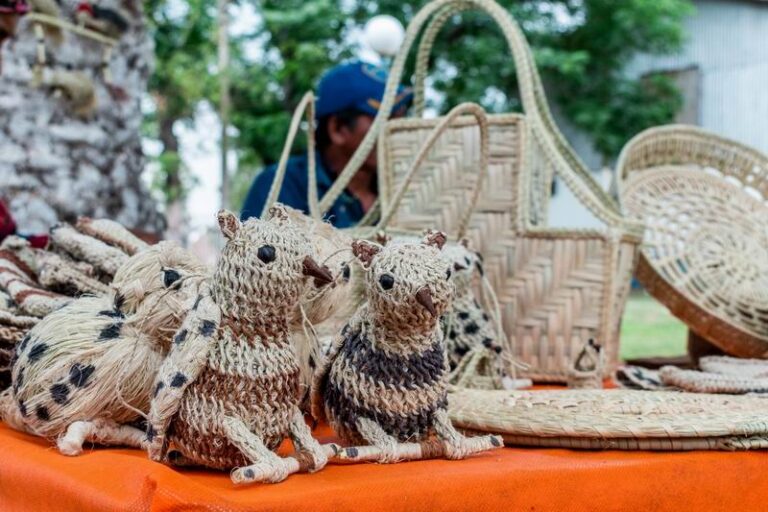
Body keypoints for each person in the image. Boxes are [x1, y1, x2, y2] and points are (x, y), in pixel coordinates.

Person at [240, 61, 413, 228]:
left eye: (401, 118)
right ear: (337, 129)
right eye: (385, 119)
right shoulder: (282, 186)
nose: (398, 130)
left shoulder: (407, 189)